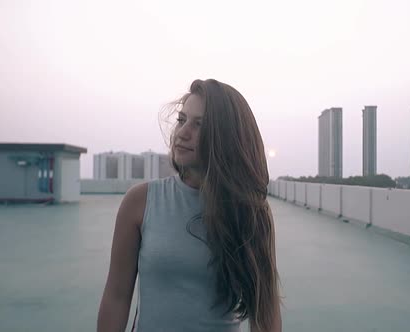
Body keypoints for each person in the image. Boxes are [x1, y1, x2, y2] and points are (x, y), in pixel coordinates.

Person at [97, 79, 282, 332]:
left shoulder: (251, 212)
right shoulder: (140, 202)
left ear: (226, 136)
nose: (183, 133)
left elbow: (265, 311)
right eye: (182, 120)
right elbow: (117, 296)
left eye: (199, 124)